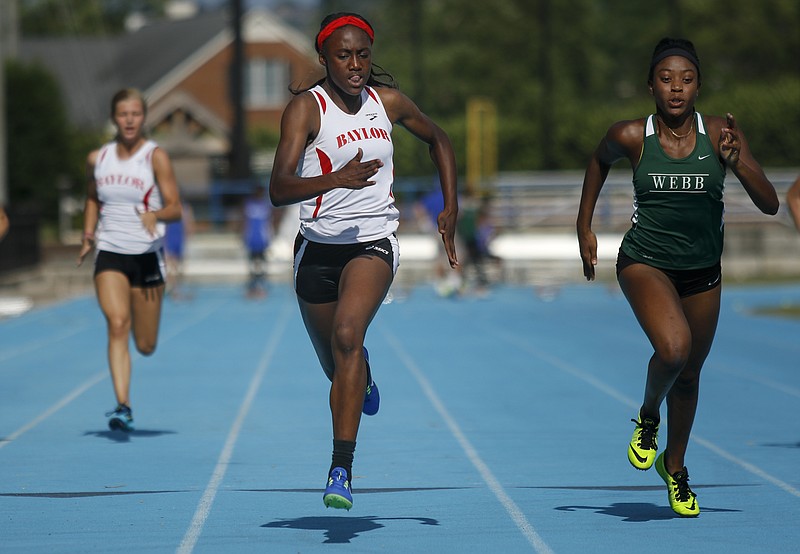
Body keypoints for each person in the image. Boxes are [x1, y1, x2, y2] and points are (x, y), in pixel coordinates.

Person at [576, 38, 779, 517]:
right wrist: (583, 224)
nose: (676, 89)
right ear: (651, 85)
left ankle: (676, 467)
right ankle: (648, 417)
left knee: (688, 377)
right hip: (645, 260)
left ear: (698, 87)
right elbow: (597, 161)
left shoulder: (720, 133)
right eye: (666, 79)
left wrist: (738, 162)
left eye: (686, 80)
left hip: (704, 271)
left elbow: (770, 202)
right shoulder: (631, 135)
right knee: (673, 348)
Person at [269, 12, 458, 510]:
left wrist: (450, 207)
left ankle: (340, 469)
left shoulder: (387, 103)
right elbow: (278, 189)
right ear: (324, 59)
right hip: (317, 249)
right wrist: (335, 179)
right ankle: (363, 377)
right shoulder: (306, 110)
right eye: (343, 56)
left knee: (349, 336)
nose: (355, 65)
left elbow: (440, 139)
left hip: (373, 242)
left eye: (363, 55)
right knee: (338, 367)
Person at [77, 88, 182, 432]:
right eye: (123, 114)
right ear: (114, 118)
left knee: (146, 344)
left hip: (147, 256)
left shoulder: (155, 157)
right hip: (110, 250)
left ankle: (128, 391)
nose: (129, 120)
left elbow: (175, 207)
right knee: (117, 323)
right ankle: (123, 405)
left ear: (144, 117)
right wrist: (89, 234)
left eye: (135, 114)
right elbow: (92, 198)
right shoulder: (99, 158)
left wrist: (156, 214)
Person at [242, 184, 273, 298]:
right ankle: (253, 287)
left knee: (262, 265)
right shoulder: (248, 204)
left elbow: (269, 223)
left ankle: (261, 287)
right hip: (252, 239)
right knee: (252, 265)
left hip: (262, 240)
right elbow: (244, 221)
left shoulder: (265, 205)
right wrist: (243, 236)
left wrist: (270, 237)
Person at [164, 198, 194, 299]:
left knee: (179, 268)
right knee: (172, 267)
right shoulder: (167, 207)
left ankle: (176, 289)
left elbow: (188, 223)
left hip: (180, 239)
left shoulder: (184, 208)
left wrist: (189, 236)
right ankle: (174, 290)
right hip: (170, 239)